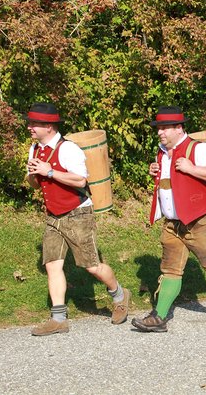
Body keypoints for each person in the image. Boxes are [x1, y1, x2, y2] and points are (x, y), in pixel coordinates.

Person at [25, 103, 131, 336]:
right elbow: (35, 183)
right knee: (52, 265)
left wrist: (49, 171)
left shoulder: (68, 149)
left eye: (34, 123)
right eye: (30, 123)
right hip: (53, 215)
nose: (30, 127)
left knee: (92, 266)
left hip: (78, 214)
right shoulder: (35, 149)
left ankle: (120, 295)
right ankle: (59, 319)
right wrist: (34, 175)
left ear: (49, 126)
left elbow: (80, 181)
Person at [131, 106, 206, 332]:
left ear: (178, 128)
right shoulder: (162, 151)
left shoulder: (198, 149)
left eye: (164, 128)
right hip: (172, 223)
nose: (160, 132)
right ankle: (159, 317)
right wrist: (156, 172)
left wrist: (192, 168)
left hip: (199, 220)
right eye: (158, 128)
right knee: (170, 269)